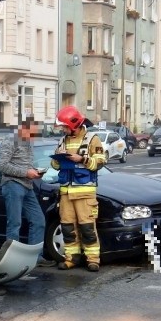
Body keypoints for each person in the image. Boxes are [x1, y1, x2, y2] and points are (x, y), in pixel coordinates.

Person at [51, 105, 106, 272]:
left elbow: (101, 161)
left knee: (87, 228)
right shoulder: (63, 140)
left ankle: (93, 259)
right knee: (68, 228)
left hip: (84, 194)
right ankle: (71, 258)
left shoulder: (92, 139)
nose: (63, 129)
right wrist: (57, 160)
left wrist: (81, 159)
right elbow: (54, 164)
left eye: (65, 126)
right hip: (66, 193)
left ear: (73, 124)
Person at [0, 120, 49, 264]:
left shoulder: (28, 143)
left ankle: (35, 258)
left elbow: (25, 163)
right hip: (13, 185)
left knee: (39, 221)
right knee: (14, 224)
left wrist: (36, 171)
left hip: (28, 186)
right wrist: (26, 172)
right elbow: (2, 166)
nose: (34, 136)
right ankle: (12, 260)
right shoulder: (10, 141)